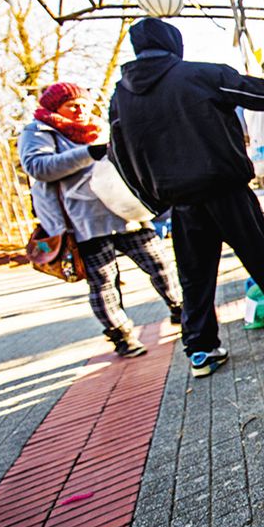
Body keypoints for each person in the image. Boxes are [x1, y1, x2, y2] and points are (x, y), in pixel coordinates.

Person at [109, 18, 264, 378]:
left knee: (194, 277)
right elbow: (260, 94)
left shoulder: (122, 98)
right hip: (226, 190)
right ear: (172, 43)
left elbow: (119, 155)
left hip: (181, 202)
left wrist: (153, 201)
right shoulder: (200, 74)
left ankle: (201, 349)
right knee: (261, 257)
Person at [18, 82, 183, 357]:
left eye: (84, 104)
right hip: (82, 222)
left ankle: (180, 308)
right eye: (72, 106)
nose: (81, 110)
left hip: (126, 211)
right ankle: (121, 334)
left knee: (160, 263)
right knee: (104, 280)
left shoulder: (98, 127)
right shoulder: (39, 131)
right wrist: (86, 153)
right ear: (55, 108)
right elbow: (38, 167)